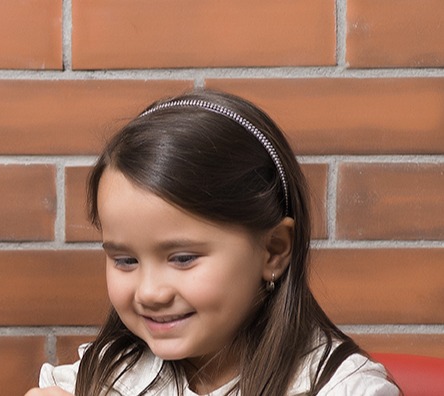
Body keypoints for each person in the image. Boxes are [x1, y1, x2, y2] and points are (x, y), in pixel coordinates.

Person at [28, 90, 399, 396]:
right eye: (125, 261)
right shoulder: (103, 373)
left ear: (273, 250)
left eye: (183, 258)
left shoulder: (345, 388)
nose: (150, 292)